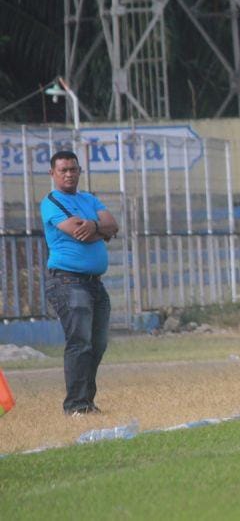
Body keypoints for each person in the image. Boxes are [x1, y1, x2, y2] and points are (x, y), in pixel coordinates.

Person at [41, 150, 118, 415]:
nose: (69, 174)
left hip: (94, 282)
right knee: (80, 342)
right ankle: (76, 405)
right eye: (63, 170)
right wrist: (102, 231)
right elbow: (80, 233)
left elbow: (113, 224)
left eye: (73, 169)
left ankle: (87, 401)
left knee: (98, 344)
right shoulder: (52, 201)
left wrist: (96, 227)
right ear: (52, 173)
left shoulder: (88, 198)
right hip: (68, 281)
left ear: (79, 171)